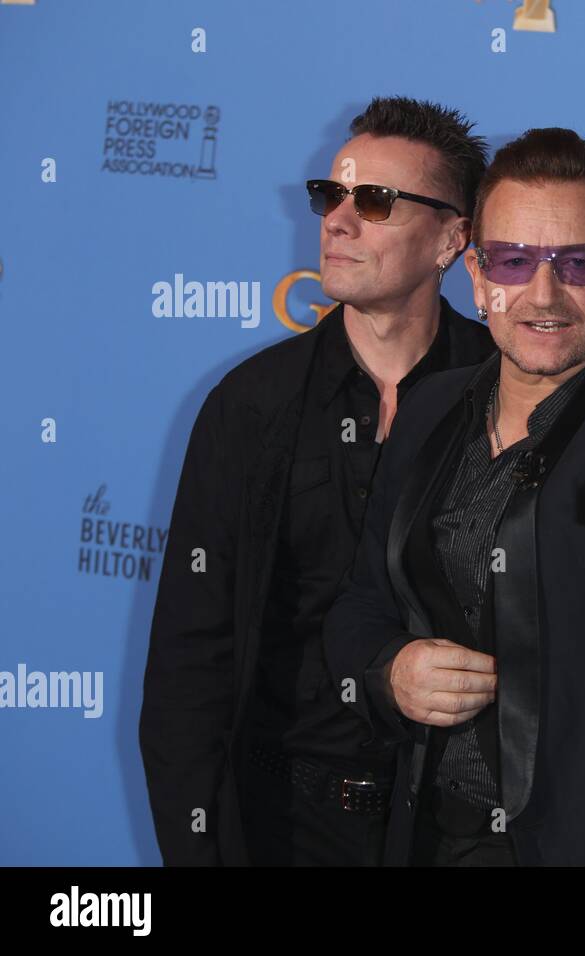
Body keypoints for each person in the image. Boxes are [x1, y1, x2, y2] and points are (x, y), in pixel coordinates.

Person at [323, 127, 585, 865]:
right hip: (439, 837)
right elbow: (361, 605)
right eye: (515, 261)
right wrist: (390, 672)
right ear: (479, 275)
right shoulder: (431, 409)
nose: (543, 294)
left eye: (579, 263)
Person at [140, 96, 495, 866]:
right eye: (331, 197)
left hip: (461, 821)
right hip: (283, 824)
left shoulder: (506, 393)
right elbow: (188, 668)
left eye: (375, 201)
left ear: (451, 238)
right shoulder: (250, 407)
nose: (337, 221)